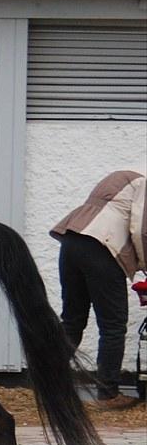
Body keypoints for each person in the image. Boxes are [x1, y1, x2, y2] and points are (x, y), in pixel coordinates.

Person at [50, 170, 146, 410]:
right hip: (101, 247)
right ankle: (108, 394)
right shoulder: (143, 183)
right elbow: (141, 230)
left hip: (72, 241)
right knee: (113, 325)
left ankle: (49, 387)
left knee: (72, 320)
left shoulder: (122, 177)